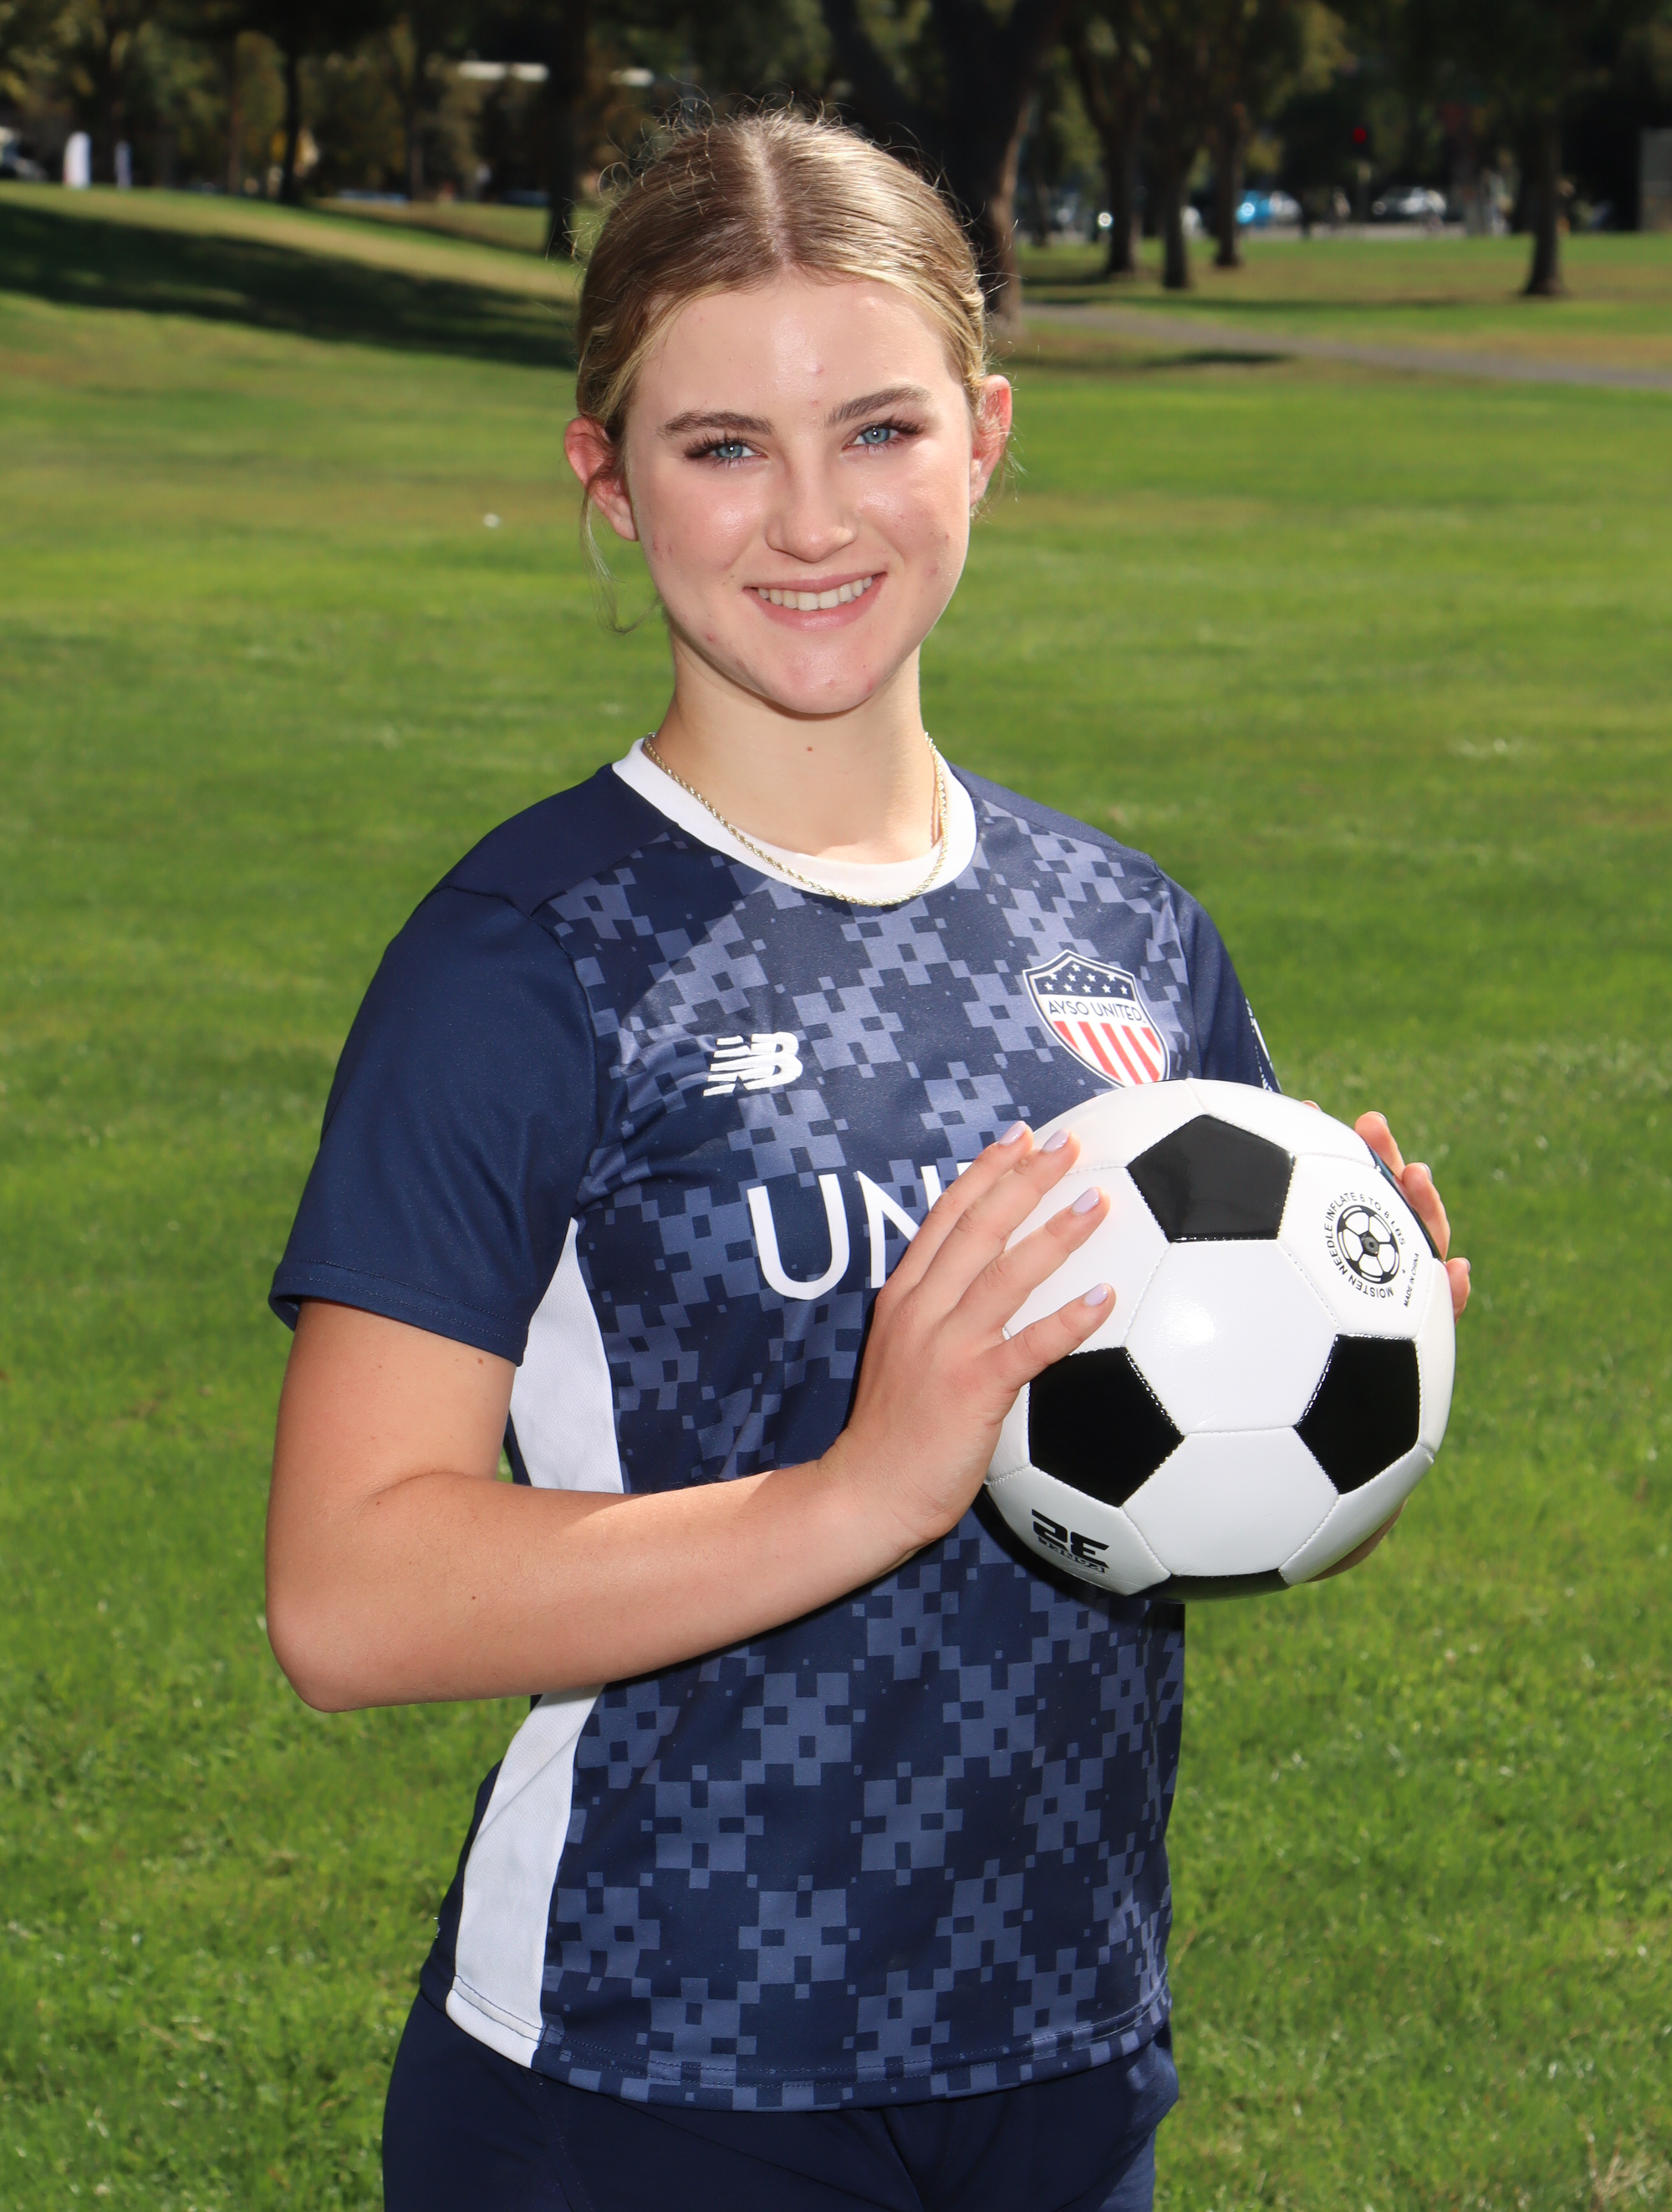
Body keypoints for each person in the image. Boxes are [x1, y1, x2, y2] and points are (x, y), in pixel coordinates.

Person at [265, 112, 1469, 2212]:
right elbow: (344, 1596)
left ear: (986, 435)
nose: (809, 517)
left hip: (1065, 2060)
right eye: (721, 444)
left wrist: (1365, 1372)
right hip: (649, 2073)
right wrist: (859, 1487)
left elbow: (1186, 1496)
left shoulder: (1128, 933)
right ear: (605, 474)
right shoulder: (527, 960)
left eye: (880, 428)